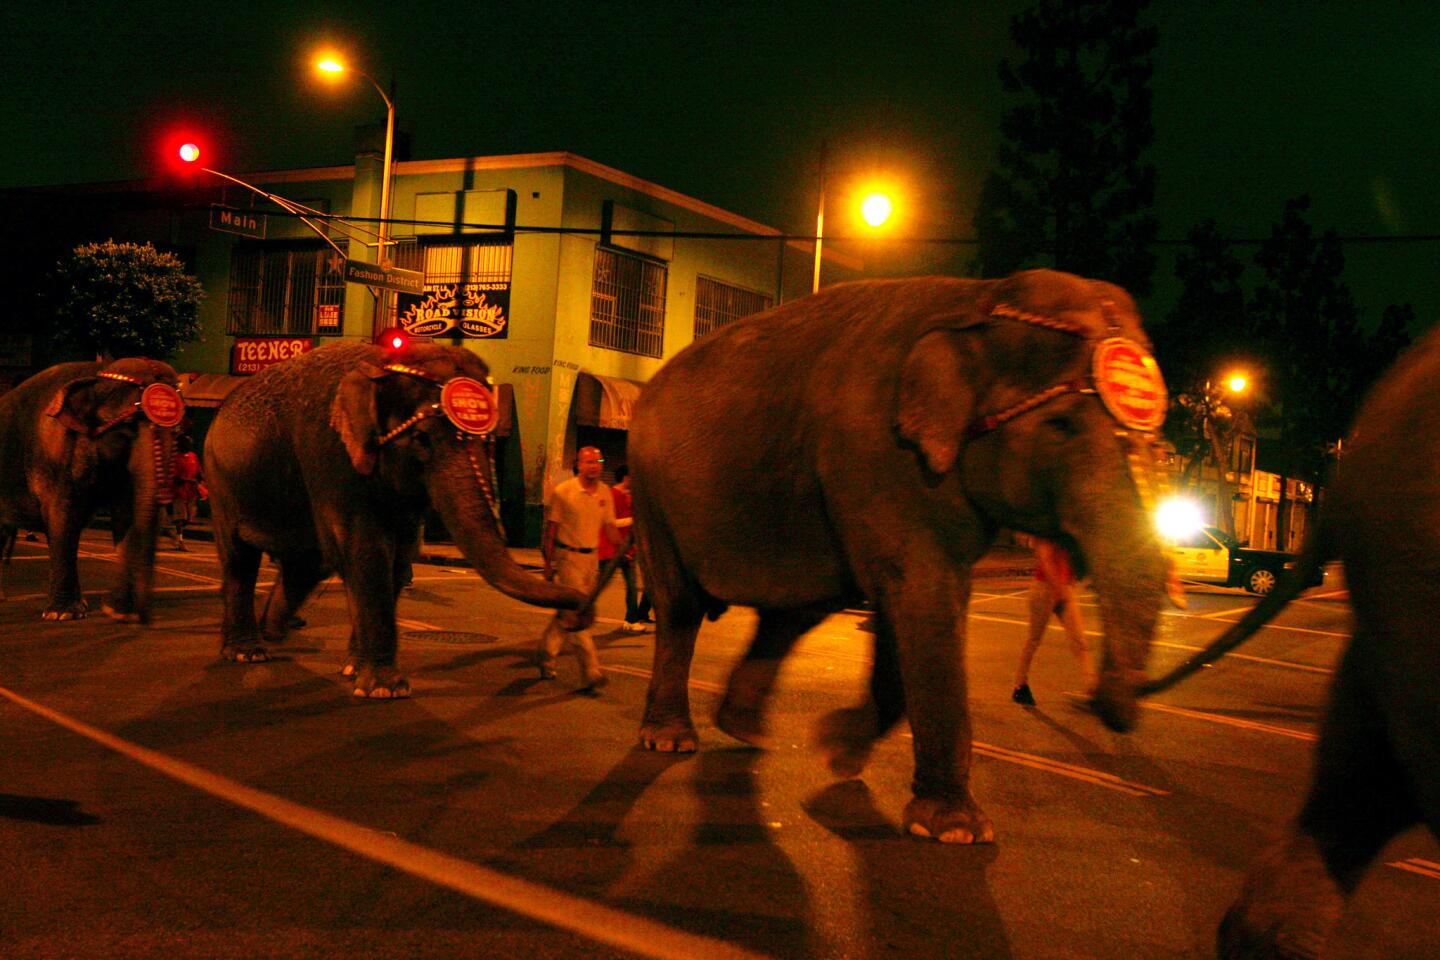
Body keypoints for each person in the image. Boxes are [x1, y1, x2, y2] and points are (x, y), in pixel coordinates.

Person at [537, 446, 621, 690]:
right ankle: (591, 671)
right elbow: (550, 531)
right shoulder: (563, 492)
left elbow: (611, 527)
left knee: (566, 615)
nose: (595, 465)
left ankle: (545, 655)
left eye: (598, 460)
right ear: (579, 464)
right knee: (578, 614)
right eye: (589, 461)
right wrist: (548, 564)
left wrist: (624, 549)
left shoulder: (605, 492)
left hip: (591, 561)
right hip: (568, 559)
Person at [1012, 537, 1095, 705]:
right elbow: (1046, 560)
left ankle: (1092, 689)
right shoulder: (1047, 532)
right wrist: (1058, 588)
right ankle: (1020, 685)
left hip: (1065, 590)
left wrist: (1068, 585)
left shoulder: (1067, 532)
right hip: (1044, 590)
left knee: (1080, 641)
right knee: (1034, 640)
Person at [604, 465, 652, 632]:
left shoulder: (630, 496)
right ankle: (577, 609)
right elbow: (610, 523)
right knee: (597, 584)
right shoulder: (612, 495)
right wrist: (633, 520)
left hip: (629, 549)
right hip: (611, 549)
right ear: (626, 477)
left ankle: (631, 620)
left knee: (632, 586)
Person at [168, 434, 204, 551]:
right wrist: (189, 480)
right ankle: (180, 542)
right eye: (187, 442)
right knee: (180, 518)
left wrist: (201, 483)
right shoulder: (176, 458)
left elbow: (199, 473)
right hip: (179, 493)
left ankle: (173, 532)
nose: (189, 444)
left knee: (188, 519)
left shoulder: (193, 456)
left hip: (191, 493)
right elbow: (175, 478)